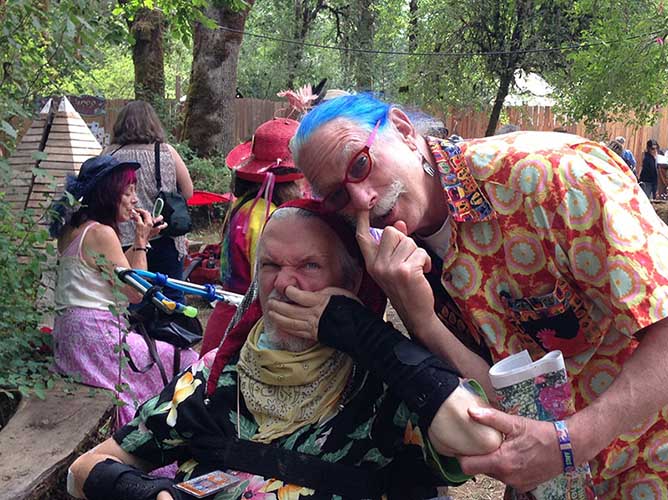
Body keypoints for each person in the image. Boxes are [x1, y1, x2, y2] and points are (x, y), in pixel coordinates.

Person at [288, 94, 668, 497]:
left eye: (361, 164)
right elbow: (498, 389)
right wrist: (422, 321)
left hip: (650, 465)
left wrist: (575, 439)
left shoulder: (552, 177)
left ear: (402, 130)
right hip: (552, 484)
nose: (362, 199)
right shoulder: (393, 257)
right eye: (338, 196)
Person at [68, 201, 503, 500]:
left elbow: (483, 435)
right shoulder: (215, 379)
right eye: (271, 265)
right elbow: (85, 468)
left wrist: (366, 336)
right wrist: (148, 493)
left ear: (351, 284)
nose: (284, 284)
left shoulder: (387, 387)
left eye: (309, 266)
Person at [49, 155, 199, 427]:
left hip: (72, 334)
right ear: (109, 195)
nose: (135, 199)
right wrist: (140, 241)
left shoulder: (74, 229)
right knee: (186, 359)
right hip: (98, 336)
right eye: (128, 192)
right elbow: (134, 293)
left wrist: (144, 240)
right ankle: (164, 433)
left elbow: (112, 271)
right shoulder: (102, 233)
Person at [200, 118, 305, 356]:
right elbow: (268, 288)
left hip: (224, 317)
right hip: (246, 327)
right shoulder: (270, 219)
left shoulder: (242, 206)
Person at [103, 100, 194, 303]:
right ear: (153, 123)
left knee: (130, 298)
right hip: (165, 236)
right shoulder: (166, 152)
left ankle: (134, 335)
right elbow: (188, 191)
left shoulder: (109, 154)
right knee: (170, 297)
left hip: (122, 239)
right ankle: (171, 334)